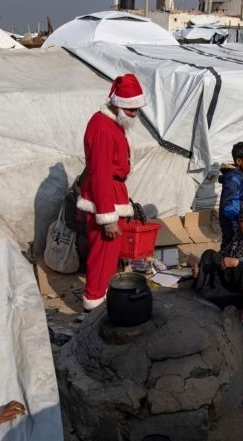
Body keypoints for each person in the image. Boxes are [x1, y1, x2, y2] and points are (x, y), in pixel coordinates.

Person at [77, 73, 147, 311]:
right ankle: (93, 303)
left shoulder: (112, 123)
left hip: (113, 194)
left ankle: (101, 298)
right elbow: (100, 174)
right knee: (102, 257)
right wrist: (108, 218)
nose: (134, 114)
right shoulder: (102, 128)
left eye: (136, 110)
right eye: (131, 109)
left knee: (108, 257)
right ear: (119, 104)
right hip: (104, 199)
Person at [219, 141, 243, 248]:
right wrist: (238, 218)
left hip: (235, 216)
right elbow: (227, 203)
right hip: (231, 219)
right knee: (232, 244)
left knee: (231, 244)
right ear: (239, 161)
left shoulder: (237, 174)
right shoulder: (233, 178)